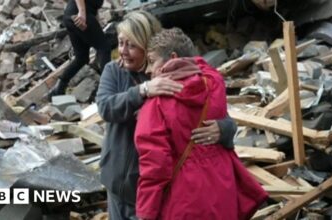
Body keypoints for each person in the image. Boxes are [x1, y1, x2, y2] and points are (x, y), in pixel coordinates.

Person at [96, 11, 237, 220]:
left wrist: (225, 128)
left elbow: (207, 112)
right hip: (116, 182)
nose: (123, 52)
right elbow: (105, 107)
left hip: (150, 190)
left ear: (147, 45)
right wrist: (142, 90)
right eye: (120, 43)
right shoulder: (114, 71)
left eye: (131, 45)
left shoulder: (174, 76)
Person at [134, 27, 268, 220]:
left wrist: (146, 212)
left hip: (184, 200)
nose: (147, 70)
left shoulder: (156, 104)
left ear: (172, 58)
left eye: (152, 61)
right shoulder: (214, 84)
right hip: (223, 189)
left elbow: (155, 165)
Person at [50, 0, 112, 96]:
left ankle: (58, 88)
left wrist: (97, 24)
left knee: (81, 58)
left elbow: (93, 9)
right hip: (79, 16)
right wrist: (82, 13)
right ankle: (108, 87)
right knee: (104, 48)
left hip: (71, 16)